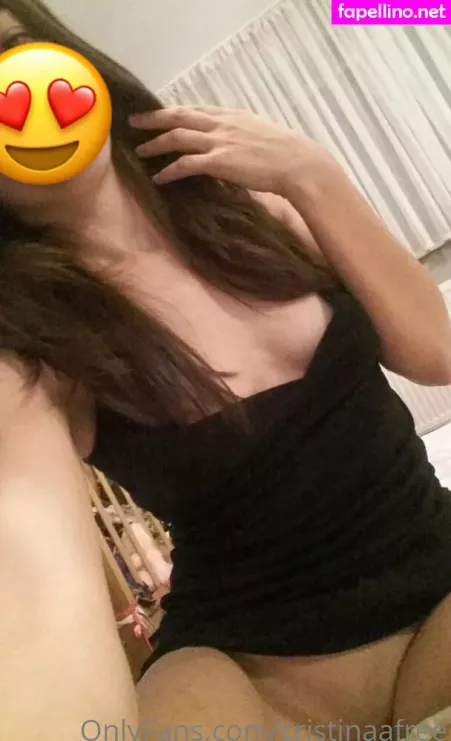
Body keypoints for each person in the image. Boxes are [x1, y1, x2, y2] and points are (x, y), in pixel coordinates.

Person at [0, 1, 451, 739]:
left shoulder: (248, 199)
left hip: (435, 571)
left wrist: (311, 173)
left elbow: (434, 353)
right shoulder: (28, 346)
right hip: (251, 667)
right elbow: (28, 589)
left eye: (12, 48)